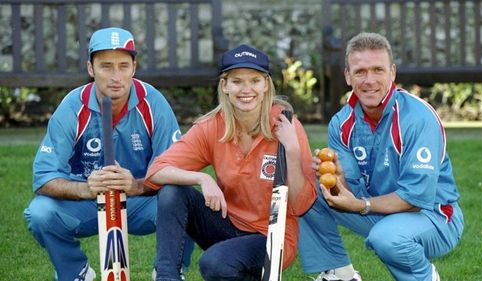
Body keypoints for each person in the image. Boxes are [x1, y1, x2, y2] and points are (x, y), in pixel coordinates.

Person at [23, 27, 193, 281]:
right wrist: (86, 189)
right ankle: (75, 272)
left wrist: (135, 185)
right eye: (106, 66)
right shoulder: (72, 106)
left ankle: (168, 271)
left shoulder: (153, 102)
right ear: (90, 68)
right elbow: (44, 177)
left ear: (134, 67)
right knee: (40, 214)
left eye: (123, 66)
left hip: (140, 201)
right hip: (87, 201)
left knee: (188, 202)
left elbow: (175, 168)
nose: (116, 76)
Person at [143, 44, 317, 281]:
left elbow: (301, 204)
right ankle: (166, 277)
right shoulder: (213, 125)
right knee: (173, 191)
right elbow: (156, 172)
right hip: (227, 224)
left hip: (271, 236)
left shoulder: (285, 125)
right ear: (224, 86)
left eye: (255, 80)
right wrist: (202, 178)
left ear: (266, 84)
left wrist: (293, 151)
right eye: (237, 81)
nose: (246, 89)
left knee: (214, 264)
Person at [299, 32, 464, 281]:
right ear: (347, 76)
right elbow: (350, 191)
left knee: (386, 238)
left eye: (378, 70)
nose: (369, 81)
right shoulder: (341, 123)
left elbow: (414, 199)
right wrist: (336, 179)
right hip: (380, 212)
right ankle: (339, 275)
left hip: (434, 217)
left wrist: (361, 205)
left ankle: (424, 277)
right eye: (360, 71)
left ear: (392, 72)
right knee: (306, 187)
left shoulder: (418, 118)